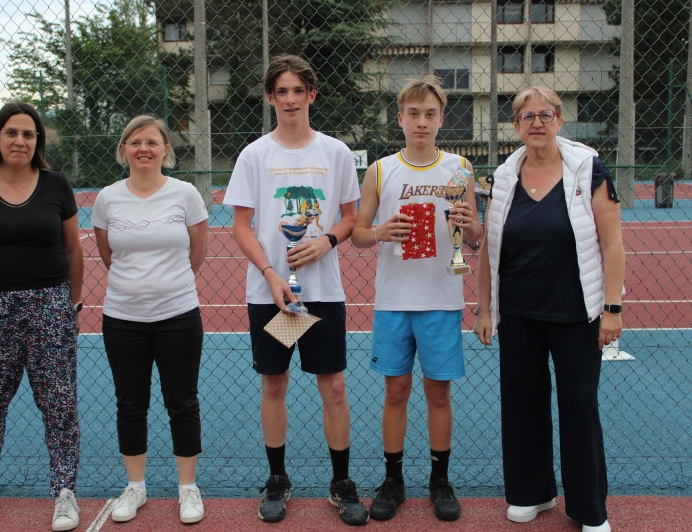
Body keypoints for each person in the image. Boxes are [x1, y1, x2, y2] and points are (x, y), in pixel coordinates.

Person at [223, 55, 368, 526]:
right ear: (270, 98)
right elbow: (241, 225)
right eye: (280, 92)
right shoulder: (255, 155)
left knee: (336, 388)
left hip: (322, 291)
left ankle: (342, 483)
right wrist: (269, 272)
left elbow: (349, 216)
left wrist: (326, 241)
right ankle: (278, 479)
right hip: (275, 294)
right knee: (275, 384)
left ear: (312, 95)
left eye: (297, 91)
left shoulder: (335, 152)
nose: (289, 99)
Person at [474, 86, 624, 532]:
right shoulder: (502, 177)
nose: (536, 123)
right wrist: (484, 308)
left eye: (545, 115)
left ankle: (588, 509)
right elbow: (488, 251)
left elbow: (612, 243)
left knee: (579, 404)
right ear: (515, 126)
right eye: (526, 116)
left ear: (559, 120)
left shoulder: (587, 169)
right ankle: (531, 493)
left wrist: (612, 308)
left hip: (577, 313)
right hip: (518, 313)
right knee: (522, 403)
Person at [0, 102, 84, 531]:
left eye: (28, 134)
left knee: (59, 402)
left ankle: (64, 492)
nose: (20, 141)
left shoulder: (57, 186)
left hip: (49, 306)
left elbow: (74, 250)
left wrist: (71, 306)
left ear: (38, 141)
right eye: (11, 133)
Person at [351, 76, 481, 522]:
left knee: (438, 394)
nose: (421, 122)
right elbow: (358, 234)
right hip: (394, 300)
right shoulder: (381, 170)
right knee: (396, 390)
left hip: (442, 299)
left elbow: (476, 238)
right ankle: (393, 479)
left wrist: (469, 223)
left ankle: (440, 480)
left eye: (430, 114)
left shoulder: (461, 168)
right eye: (413, 114)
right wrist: (380, 232)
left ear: (442, 119)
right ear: (400, 118)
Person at [91, 115, 208, 524]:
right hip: (122, 319)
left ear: (166, 150)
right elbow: (108, 255)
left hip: (179, 315)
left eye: (152, 142)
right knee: (130, 403)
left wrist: (168, 287)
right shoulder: (107, 198)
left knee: (183, 401)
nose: (144, 148)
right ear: (124, 149)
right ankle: (135, 487)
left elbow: (198, 251)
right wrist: (136, 287)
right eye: (135, 141)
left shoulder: (186, 194)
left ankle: (187, 489)